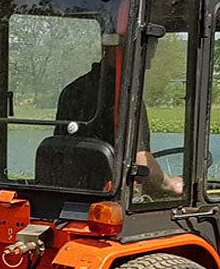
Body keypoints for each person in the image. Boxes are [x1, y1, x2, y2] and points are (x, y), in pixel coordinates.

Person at [55, 50, 183, 196]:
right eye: (149, 47)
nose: (152, 55)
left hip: (70, 193)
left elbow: (62, 150)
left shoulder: (72, 90)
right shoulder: (127, 96)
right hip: (109, 197)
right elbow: (140, 163)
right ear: (119, 49)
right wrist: (170, 184)